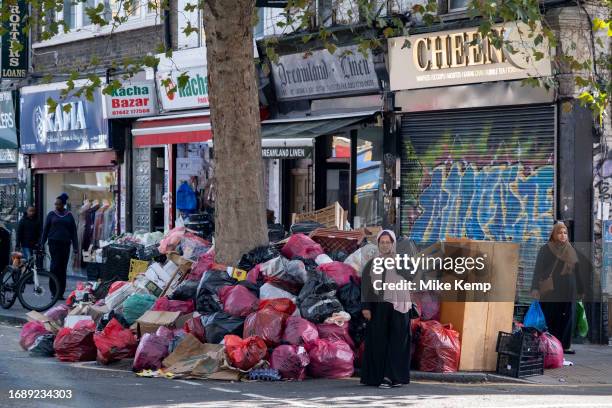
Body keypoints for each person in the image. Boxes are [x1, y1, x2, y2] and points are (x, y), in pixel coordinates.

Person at [360, 230, 413, 388]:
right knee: (379, 341)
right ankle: (381, 376)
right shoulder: (372, 263)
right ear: (378, 244)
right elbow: (366, 287)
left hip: (400, 306)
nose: (384, 245)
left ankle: (394, 377)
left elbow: (412, 277)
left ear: (393, 243)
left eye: (387, 242)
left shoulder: (402, 260)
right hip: (379, 307)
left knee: (398, 342)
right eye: (382, 242)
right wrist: (366, 307)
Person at [531, 222, 584, 354]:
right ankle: (551, 345)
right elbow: (538, 270)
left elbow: (578, 271)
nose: (563, 235)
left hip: (569, 289)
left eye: (565, 233)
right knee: (551, 316)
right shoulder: (545, 249)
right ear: (554, 234)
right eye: (560, 233)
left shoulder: (571, 250)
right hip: (551, 290)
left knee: (567, 317)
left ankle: (565, 345)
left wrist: (581, 289)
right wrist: (535, 288)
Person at [40, 193, 78, 300]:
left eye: (59, 204)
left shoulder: (69, 215)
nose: (57, 206)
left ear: (63, 204)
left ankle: (60, 293)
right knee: (54, 268)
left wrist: (75, 247)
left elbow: (73, 232)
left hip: (65, 245)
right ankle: (54, 292)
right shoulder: (51, 214)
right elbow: (45, 230)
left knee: (62, 269)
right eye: (55, 204)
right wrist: (42, 244)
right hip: (53, 244)